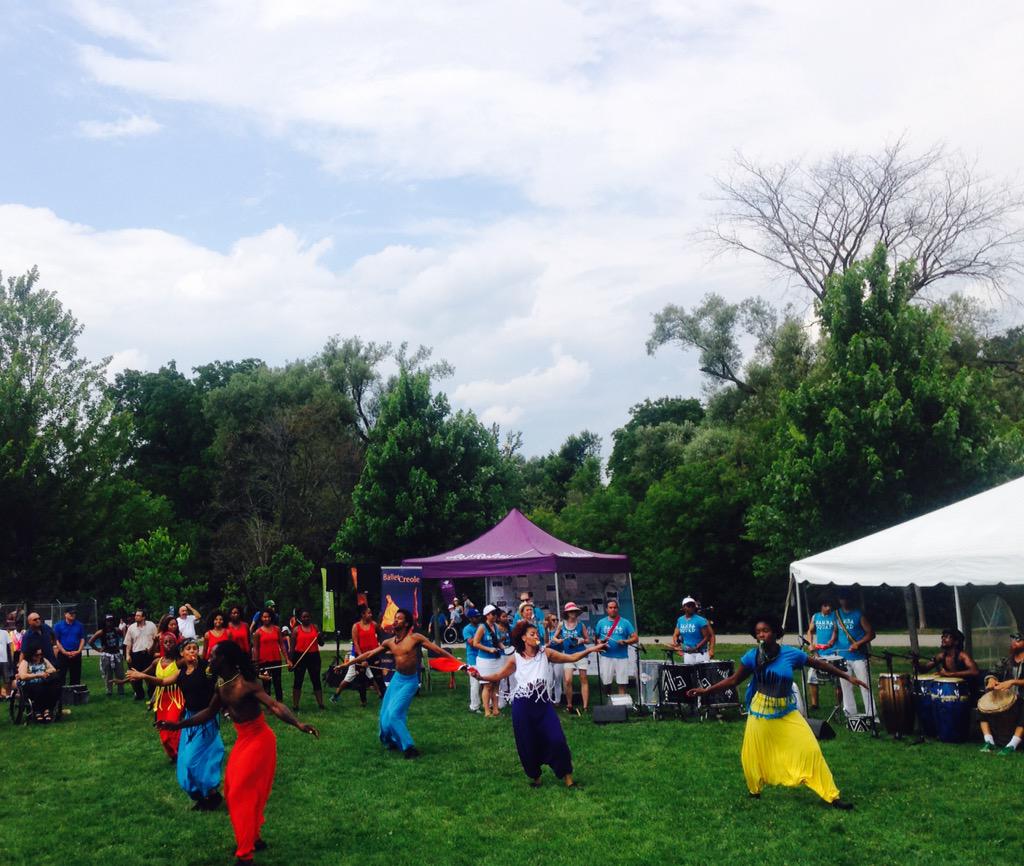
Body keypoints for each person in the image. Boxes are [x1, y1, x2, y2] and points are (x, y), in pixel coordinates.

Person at [157, 640, 319, 864]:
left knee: (238, 793)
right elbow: (207, 712)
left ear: (223, 659)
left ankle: (245, 854)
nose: (209, 658)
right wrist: (178, 726)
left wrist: (298, 724)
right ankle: (255, 838)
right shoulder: (221, 686)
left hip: (260, 740)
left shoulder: (247, 684)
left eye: (212, 656)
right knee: (232, 787)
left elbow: (274, 706)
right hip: (244, 740)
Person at [687, 615, 863, 810]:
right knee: (752, 754)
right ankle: (754, 790)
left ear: (775, 633)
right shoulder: (752, 657)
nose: (762, 634)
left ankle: (832, 796)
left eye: (765, 630)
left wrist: (847, 677)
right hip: (760, 712)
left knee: (811, 749)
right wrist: (706, 690)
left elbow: (819, 664)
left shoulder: (791, 654)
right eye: (758, 632)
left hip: (786, 711)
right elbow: (733, 680)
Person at [470, 621, 606, 788]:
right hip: (522, 706)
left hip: (543, 705)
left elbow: (571, 658)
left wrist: (591, 649)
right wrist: (480, 677)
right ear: (523, 638)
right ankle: (535, 777)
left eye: (537, 633)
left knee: (557, 739)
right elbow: (498, 675)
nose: (536, 636)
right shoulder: (516, 658)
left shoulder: (545, 653)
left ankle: (568, 779)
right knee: (527, 742)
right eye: (532, 634)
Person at [340, 608, 465, 758]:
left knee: (394, 715)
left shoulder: (415, 638)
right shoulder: (390, 642)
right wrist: (347, 664)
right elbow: (369, 654)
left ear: (406, 623)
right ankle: (391, 741)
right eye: (395, 618)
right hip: (396, 680)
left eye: (399, 618)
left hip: (410, 682)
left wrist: (458, 663)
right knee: (384, 717)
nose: (395, 620)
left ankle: (409, 748)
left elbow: (437, 650)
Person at [174, 638, 225, 810]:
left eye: (195, 648)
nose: (193, 651)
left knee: (194, 761)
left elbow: (221, 677)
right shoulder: (181, 672)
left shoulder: (206, 669)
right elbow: (162, 682)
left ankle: (212, 794)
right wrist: (142, 676)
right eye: (189, 648)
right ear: (182, 652)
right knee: (185, 762)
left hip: (206, 719)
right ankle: (203, 798)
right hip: (190, 720)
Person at [127, 632, 185, 760]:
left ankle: (182, 754)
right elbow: (141, 674)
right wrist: (122, 680)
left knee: (173, 727)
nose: (168, 644)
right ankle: (174, 756)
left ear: (176, 644)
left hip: (175, 698)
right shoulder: (156, 662)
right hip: (161, 700)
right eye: (166, 642)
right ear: (161, 645)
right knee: (163, 734)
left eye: (171, 642)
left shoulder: (180, 662)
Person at [330, 605, 386, 706]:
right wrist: (362, 659)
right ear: (363, 615)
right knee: (362, 680)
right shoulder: (356, 626)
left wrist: (379, 650)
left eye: (371, 613)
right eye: (368, 613)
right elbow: (355, 644)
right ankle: (363, 701)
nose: (371, 614)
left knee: (378, 679)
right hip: (361, 656)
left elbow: (381, 638)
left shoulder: (374, 624)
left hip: (374, 655)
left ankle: (385, 699)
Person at [979, 631, 1024, 754]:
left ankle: (1012, 745)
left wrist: (1013, 682)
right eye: (1012, 640)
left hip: (1021, 699)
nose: (1013, 642)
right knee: (983, 704)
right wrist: (991, 680)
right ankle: (989, 741)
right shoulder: (1005, 661)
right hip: (1005, 699)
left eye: (1018, 640)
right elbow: (993, 672)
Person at [834, 591, 876, 718]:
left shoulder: (858, 614)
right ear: (839, 600)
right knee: (845, 686)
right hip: (842, 656)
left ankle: (872, 714)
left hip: (859, 656)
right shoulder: (836, 614)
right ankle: (850, 714)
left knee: (864, 685)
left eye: (846, 598)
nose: (844, 601)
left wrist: (858, 643)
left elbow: (871, 633)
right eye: (842, 598)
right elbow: (835, 632)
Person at [593, 600, 638, 696]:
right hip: (606, 656)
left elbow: (635, 638)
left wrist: (625, 641)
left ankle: (621, 704)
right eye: (610, 607)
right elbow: (596, 638)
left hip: (621, 657)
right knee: (606, 681)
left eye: (615, 607)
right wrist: (600, 642)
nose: (613, 609)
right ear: (606, 609)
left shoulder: (625, 622)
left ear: (618, 609)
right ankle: (609, 702)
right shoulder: (601, 622)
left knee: (622, 682)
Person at [471, 605, 505, 717]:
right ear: (487, 615)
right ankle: (487, 711)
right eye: (493, 614)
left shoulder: (496, 626)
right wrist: (488, 649)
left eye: (496, 613)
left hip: (496, 658)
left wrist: (504, 648)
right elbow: (475, 643)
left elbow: (498, 641)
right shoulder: (482, 627)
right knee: (487, 685)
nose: (495, 616)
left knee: (496, 684)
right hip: (485, 660)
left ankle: (495, 709)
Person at [558, 603, 591, 714]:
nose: (573, 613)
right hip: (568, 655)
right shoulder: (561, 624)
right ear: (567, 613)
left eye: (575, 611)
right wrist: (559, 640)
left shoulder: (581, 625)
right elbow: (555, 637)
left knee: (583, 679)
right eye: (571, 611)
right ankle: (569, 705)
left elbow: (588, 640)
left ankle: (585, 706)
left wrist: (581, 640)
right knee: (567, 680)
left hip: (580, 653)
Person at [289, 610, 325, 711]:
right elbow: (292, 648)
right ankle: (295, 705)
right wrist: (290, 661)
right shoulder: (296, 630)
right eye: (304, 617)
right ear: (300, 618)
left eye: (307, 616)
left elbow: (321, 644)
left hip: (314, 656)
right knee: (298, 681)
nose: (306, 618)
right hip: (300, 656)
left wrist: (320, 637)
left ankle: (321, 704)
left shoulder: (315, 628)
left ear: (310, 617)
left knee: (316, 680)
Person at [804, 600, 837, 711]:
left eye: (829, 606)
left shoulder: (835, 616)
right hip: (818, 653)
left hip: (833, 652)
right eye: (825, 606)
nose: (828, 608)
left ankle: (838, 705)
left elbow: (836, 631)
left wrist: (831, 642)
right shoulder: (816, 616)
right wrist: (810, 644)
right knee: (812, 678)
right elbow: (810, 631)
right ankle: (814, 705)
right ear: (821, 606)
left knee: (837, 679)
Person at [913, 628, 980, 681]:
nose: (943, 639)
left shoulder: (963, 656)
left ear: (956, 642)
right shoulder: (941, 656)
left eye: (947, 637)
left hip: (966, 689)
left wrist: (950, 674)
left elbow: (975, 671)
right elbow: (924, 670)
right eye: (943, 637)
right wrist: (916, 663)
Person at [16, 646, 61, 721]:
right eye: (36, 655)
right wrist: (38, 675)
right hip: (29, 685)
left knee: (56, 686)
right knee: (40, 689)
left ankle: (47, 709)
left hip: (43, 683)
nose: (39, 656)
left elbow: (53, 669)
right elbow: (23, 676)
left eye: (40, 654)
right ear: (31, 655)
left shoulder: (43, 660)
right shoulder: (25, 662)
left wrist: (46, 672)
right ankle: (38, 710)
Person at [252, 609, 288, 702]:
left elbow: (282, 645)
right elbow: (255, 648)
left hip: (276, 660)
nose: (266, 618)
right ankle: (269, 705)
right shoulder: (258, 632)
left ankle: (280, 704)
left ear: (271, 617)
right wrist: (255, 663)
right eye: (264, 617)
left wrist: (287, 659)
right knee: (266, 685)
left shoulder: (277, 629)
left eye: (268, 616)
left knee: (277, 684)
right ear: (261, 618)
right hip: (263, 661)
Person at [124, 609, 159, 700]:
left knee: (151, 675)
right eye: (136, 615)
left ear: (144, 617)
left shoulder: (151, 625)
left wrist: (155, 651)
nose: (136, 617)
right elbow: (128, 643)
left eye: (138, 615)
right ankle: (139, 695)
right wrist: (128, 655)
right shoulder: (131, 627)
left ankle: (152, 694)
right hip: (136, 654)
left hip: (148, 654)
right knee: (136, 676)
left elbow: (157, 640)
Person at [89, 614, 126, 696]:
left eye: (111, 621)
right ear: (105, 622)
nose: (110, 623)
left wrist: (121, 645)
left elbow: (125, 637)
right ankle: (109, 691)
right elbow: (90, 641)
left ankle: (121, 691)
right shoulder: (101, 632)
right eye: (108, 621)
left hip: (116, 654)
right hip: (106, 655)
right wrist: (98, 649)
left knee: (120, 674)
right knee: (108, 674)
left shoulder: (116, 630)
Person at [672, 597, 713, 664]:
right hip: (688, 653)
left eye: (692, 605)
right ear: (683, 607)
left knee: (702, 674)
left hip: (701, 653)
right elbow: (675, 635)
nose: (691, 607)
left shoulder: (700, 620)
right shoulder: (680, 620)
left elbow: (707, 636)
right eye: (688, 605)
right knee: (689, 673)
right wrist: (677, 646)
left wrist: (696, 647)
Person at [53, 608, 87, 686]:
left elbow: (82, 639)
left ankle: (74, 694)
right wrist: (64, 652)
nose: (72, 615)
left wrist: (78, 651)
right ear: (65, 614)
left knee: (76, 675)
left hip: (76, 653)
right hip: (63, 654)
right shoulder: (58, 626)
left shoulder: (79, 625)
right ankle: (61, 695)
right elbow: (57, 640)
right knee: (61, 675)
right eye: (70, 613)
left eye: (74, 613)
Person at [462, 607, 482, 712]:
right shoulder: (467, 629)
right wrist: (480, 638)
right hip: (473, 659)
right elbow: (471, 643)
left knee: (486, 682)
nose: (478, 618)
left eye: (478, 616)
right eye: (475, 617)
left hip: (483, 658)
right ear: (470, 618)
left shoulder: (481, 627)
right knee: (475, 684)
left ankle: (488, 704)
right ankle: (474, 706)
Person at [543, 612, 564, 704]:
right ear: (548, 621)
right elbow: (546, 642)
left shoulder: (560, 630)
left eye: (557, 620)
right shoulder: (544, 630)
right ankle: (549, 699)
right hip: (548, 658)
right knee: (549, 681)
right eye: (553, 620)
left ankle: (558, 700)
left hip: (558, 656)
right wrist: (545, 629)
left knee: (558, 679)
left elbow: (563, 642)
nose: (555, 621)